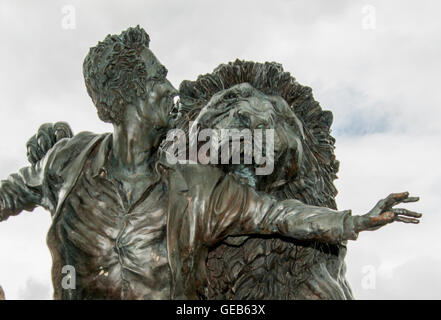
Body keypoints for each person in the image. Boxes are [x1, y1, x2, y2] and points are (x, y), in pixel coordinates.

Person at [0, 26, 421, 299]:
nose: (170, 88)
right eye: (157, 78)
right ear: (126, 98)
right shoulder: (66, 162)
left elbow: (276, 215)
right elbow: (9, 195)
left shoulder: (193, 183)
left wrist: (355, 222)